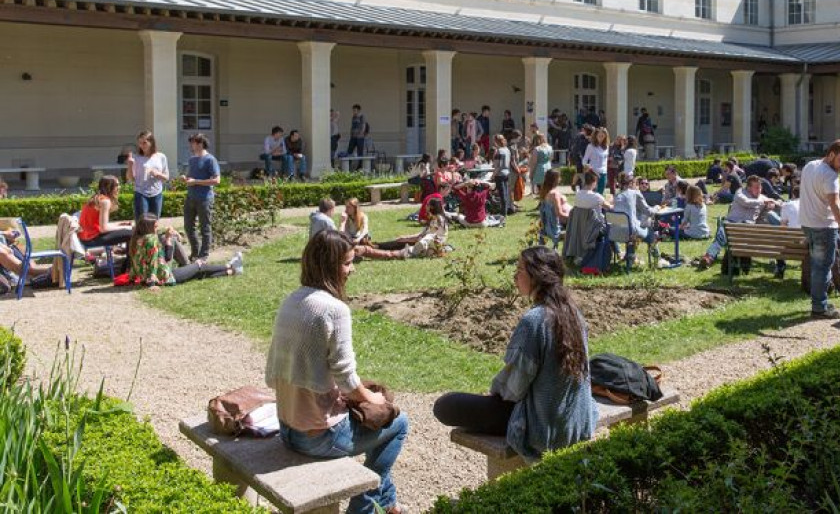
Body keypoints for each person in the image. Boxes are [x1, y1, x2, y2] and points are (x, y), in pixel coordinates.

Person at [267, 231, 408, 514]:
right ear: (328, 265)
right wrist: (373, 399)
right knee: (398, 423)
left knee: (374, 410)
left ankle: (388, 501)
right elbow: (346, 378)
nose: (352, 268)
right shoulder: (334, 310)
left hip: (287, 427)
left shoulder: (292, 299)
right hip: (318, 437)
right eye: (346, 263)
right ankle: (364, 506)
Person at [433, 246, 597, 463]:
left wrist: (494, 394)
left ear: (537, 276)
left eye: (520, 269)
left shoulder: (534, 320)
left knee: (445, 405)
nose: (514, 276)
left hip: (543, 427)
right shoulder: (574, 313)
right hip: (578, 419)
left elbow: (514, 388)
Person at [799, 140, 840, 319]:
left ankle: (819, 302)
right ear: (831, 154)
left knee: (817, 266)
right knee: (822, 267)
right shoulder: (831, 176)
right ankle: (819, 307)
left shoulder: (810, 166)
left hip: (807, 224)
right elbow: (835, 206)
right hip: (823, 227)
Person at [129, 213, 242, 287]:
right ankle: (229, 265)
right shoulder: (151, 239)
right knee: (199, 266)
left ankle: (233, 271)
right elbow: (162, 259)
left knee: (198, 274)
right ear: (149, 227)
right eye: (155, 227)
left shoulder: (136, 239)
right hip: (164, 277)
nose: (157, 229)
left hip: (146, 278)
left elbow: (138, 263)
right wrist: (152, 284)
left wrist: (133, 278)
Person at [697, 175, 781, 271]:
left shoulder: (762, 198)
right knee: (723, 233)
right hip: (732, 223)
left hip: (748, 227)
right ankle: (708, 258)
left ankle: (716, 257)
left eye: (760, 187)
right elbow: (746, 202)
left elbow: (779, 205)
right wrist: (763, 201)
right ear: (749, 188)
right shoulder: (740, 193)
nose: (759, 190)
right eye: (756, 187)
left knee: (730, 232)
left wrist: (775, 203)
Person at [184, 133, 220, 261]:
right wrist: (186, 179)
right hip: (190, 197)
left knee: (205, 227)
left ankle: (203, 255)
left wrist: (196, 181)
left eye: (192, 143)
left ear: (200, 143)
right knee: (188, 227)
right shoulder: (192, 159)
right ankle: (195, 252)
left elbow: (216, 181)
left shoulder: (210, 159)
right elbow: (191, 178)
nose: (191, 145)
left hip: (204, 198)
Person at [78, 175, 133, 251]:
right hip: (91, 240)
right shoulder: (105, 201)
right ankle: (129, 261)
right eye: (116, 185)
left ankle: (128, 260)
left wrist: (119, 224)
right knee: (133, 233)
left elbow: (100, 225)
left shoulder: (96, 198)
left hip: (85, 238)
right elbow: (103, 229)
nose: (119, 187)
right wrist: (124, 227)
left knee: (129, 231)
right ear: (109, 187)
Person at [127, 130, 170, 219]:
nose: (142, 145)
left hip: (157, 193)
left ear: (151, 142)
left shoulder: (161, 157)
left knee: (154, 221)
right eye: (140, 143)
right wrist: (130, 165)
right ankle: (141, 233)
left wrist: (157, 174)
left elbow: (166, 177)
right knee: (142, 221)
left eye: (144, 142)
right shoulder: (136, 158)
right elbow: (131, 178)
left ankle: (152, 233)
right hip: (141, 193)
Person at [491, 134, 513, 219]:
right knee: (506, 193)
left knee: (502, 194)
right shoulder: (507, 150)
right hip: (507, 173)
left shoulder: (499, 151)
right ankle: (505, 211)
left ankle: (503, 213)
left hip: (500, 174)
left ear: (496, 141)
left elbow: (497, 166)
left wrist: (492, 176)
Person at [583, 127, 610, 195]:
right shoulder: (590, 146)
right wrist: (587, 166)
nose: (601, 137)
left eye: (603, 136)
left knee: (600, 194)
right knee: (592, 194)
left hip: (603, 174)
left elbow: (605, 161)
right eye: (599, 136)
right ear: (595, 136)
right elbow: (584, 160)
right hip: (593, 173)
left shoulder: (606, 146)